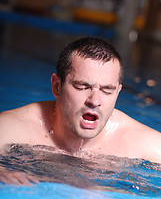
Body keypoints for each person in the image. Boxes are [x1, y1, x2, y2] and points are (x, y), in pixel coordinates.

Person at [0, 37, 161, 185]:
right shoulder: (16, 126)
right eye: (82, 87)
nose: (94, 101)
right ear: (57, 86)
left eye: (107, 90)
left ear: (118, 92)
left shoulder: (138, 141)